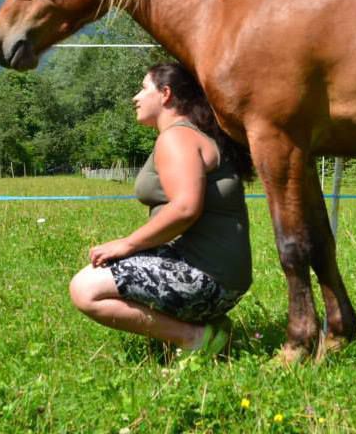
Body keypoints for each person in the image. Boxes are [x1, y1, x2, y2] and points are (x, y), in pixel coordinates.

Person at [69, 62, 254, 354]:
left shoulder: (177, 138)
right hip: (221, 278)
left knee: (85, 288)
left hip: (208, 278)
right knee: (107, 271)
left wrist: (127, 244)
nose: (136, 97)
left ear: (165, 94)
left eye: (143, 88)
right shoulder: (188, 134)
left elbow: (185, 208)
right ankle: (210, 325)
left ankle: (196, 338)